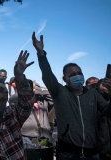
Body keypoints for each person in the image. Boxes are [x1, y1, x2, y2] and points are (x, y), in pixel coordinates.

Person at [32, 32, 111, 160]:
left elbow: (108, 112)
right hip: (67, 154)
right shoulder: (59, 92)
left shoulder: (94, 94)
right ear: (65, 78)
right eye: (73, 75)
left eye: (79, 73)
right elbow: (47, 75)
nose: (77, 76)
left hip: (92, 153)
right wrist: (41, 55)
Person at [96, 79, 111, 160]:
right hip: (101, 153)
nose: (106, 94)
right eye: (102, 92)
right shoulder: (94, 106)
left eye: (108, 91)